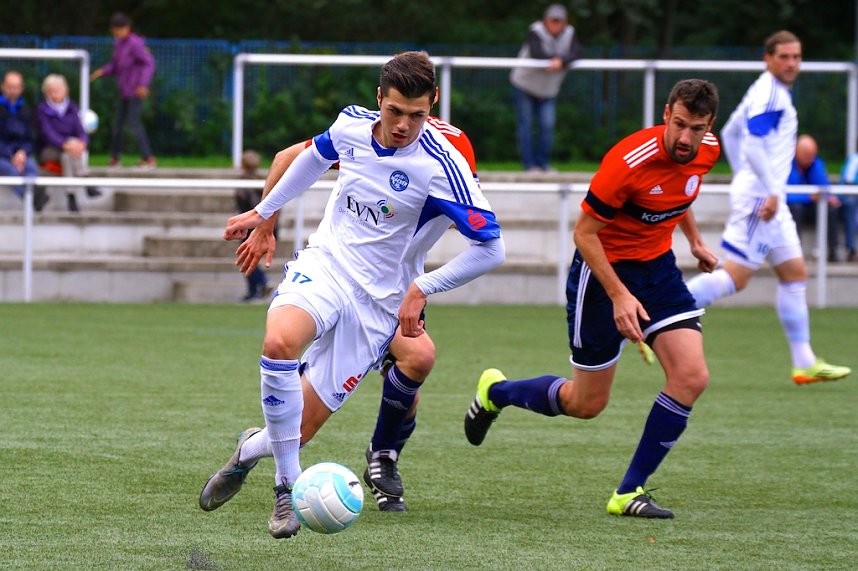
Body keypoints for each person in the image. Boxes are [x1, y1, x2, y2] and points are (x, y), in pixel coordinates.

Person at [199, 51, 504, 538]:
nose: (404, 125)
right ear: (379, 99)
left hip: (378, 305)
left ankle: (248, 450)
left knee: (297, 433)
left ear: (435, 104)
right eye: (395, 112)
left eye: (417, 115)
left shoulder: (447, 162)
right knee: (279, 342)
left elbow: (492, 248)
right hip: (326, 265)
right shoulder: (352, 125)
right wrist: (264, 214)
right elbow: (305, 160)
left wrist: (422, 287)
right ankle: (286, 489)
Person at [465, 78, 720, 519]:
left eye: (696, 128)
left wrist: (694, 241)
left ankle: (628, 491)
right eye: (679, 124)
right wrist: (619, 296)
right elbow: (583, 234)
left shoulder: (707, 149)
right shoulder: (628, 161)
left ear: (708, 125)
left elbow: (682, 190)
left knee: (691, 375)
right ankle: (497, 392)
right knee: (587, 404)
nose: (685, 138)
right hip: (601, 272)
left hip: (658, 270)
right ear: (666, 114)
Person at [686, 31, 850, 385]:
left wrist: (749, 177)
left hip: (768, 196)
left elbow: (731, 132)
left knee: (794, 274)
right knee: (735, 277)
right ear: (768, 58)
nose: (792, 63)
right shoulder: (771, 93)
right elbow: (754, 143)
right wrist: (770, 188)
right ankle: (658, 315)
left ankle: (804, 361)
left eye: (797, 57)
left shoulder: (764, 89)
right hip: (764, 200)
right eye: (785, 57)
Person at [510, 4, 582, 173]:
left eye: (559, 21)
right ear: (546, 21)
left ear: (564, 23)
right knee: (525, 124)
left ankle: (543, 164)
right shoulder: (535, 31)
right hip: (525, 85)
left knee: (547, 125)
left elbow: (577, 53)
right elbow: (537, 54)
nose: (556, 25)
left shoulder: (570, 34)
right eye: (553, 21)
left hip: (548, 90)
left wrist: (561, 61)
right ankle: (529, 166)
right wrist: (559, 60)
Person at [90, 11, 156, 169]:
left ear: (127, 28)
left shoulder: (135, 43)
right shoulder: (118, 44)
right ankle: (115, 158)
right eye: (114, 31)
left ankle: (148, 159)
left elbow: (149, 63)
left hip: (136, 91)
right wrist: (102, 71)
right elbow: (115, 64)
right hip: (124, 91)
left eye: (119, 30)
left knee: (134, 123)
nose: (117, 34)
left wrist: (143, 84)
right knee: (118, 125)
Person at [35, 74, 90, 213]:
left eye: (58, 90)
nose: (55, 94)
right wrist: (66, 145)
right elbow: (47, 134)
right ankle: (85, 180)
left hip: (68, 151)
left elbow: (80, 130)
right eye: (51, 91)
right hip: (49, 150)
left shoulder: (72, 108)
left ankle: (71, 197)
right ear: (46, 93)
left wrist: (83, 142)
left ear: (65, 91)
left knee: (66, 156)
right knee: (69, 148)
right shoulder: (42, 110)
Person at [786, 134, 843, 262]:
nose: (809, 159)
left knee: (831, 209)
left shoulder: (816, 164)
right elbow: (787, 194)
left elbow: (823, 188)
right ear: (796, 151)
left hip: (812, 208)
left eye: (812, 156)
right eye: (806, 156)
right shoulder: (786, 165)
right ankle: (796, 253)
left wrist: (829, 198)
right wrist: (809, 197)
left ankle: (833, 252)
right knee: (796, 208)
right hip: (794, 208)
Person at [0, 70, 49, 211]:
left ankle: (33, 198)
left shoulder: (26, 110)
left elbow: (30, 137)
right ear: (3, 87)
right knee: (10, 170)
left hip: (20, 154)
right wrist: (11, 156)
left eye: (16, 87)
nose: (13, 91)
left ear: (21, 88)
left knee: (31, 167)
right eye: (10, 86)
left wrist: (22, 153)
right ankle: (35, 198)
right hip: (3, 155)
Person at [234, 149, 274, 302]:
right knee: (249, 257)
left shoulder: (244, 184)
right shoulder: (265, 181)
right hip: (267, 224)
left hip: (251, 226)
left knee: (247, 257)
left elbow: (246, 206)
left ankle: (263, 282)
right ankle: (252, 291)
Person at [836, 152, 858, 262]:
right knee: (851, 205)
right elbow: (849, 183)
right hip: (848, 198)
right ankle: (852, 250)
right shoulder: (855, 159)